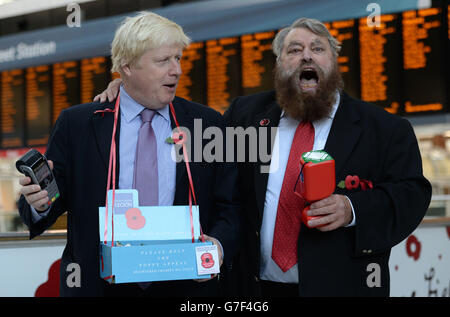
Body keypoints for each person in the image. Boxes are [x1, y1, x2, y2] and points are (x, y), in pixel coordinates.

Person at [95, 17, 432, 297]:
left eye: (318, 49)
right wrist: (125, 94)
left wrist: (352, 209)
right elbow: (208, 174)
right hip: (253, 292)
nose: (306, 57)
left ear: (334, 61)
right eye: (294, 50)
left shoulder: (383, 129)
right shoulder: (247, 115)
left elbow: (412, 195)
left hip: (341, 288)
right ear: (280, 64)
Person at [18, 11, 240, 297]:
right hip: (98, 288)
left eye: (178, 59)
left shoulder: (206, 124)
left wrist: (218, 246)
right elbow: (50, 203)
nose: (177, 70)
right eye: (163, 61)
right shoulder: (78, 125)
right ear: (127, 66)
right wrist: (39, 203)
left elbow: (231, 207)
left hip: (185, 288)